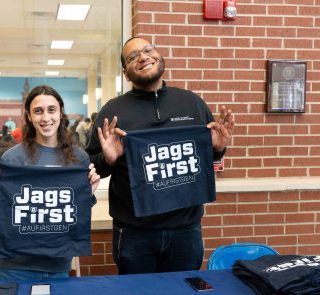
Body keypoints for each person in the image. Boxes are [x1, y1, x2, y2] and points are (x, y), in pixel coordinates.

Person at [85, 37, 235, 275]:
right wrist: (109, 159)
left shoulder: (191, 104)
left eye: (147, 50)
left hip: (185, 231)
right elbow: (91, 167)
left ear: (159, 56)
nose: (143, 57)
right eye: (133, 57)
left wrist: (217, 149)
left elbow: (207, 159)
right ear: (126, 73)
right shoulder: (113, 112)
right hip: (134, 234)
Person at [0, 85, 101, 282]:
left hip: (58, 267)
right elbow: (0, 222)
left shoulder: (78, 158)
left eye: (51, 110)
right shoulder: (13, 158)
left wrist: (87, 194)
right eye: (38, 111)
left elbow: (74, 219)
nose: (45, 117)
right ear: (29, 116)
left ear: (60, 113)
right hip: (13, 269)